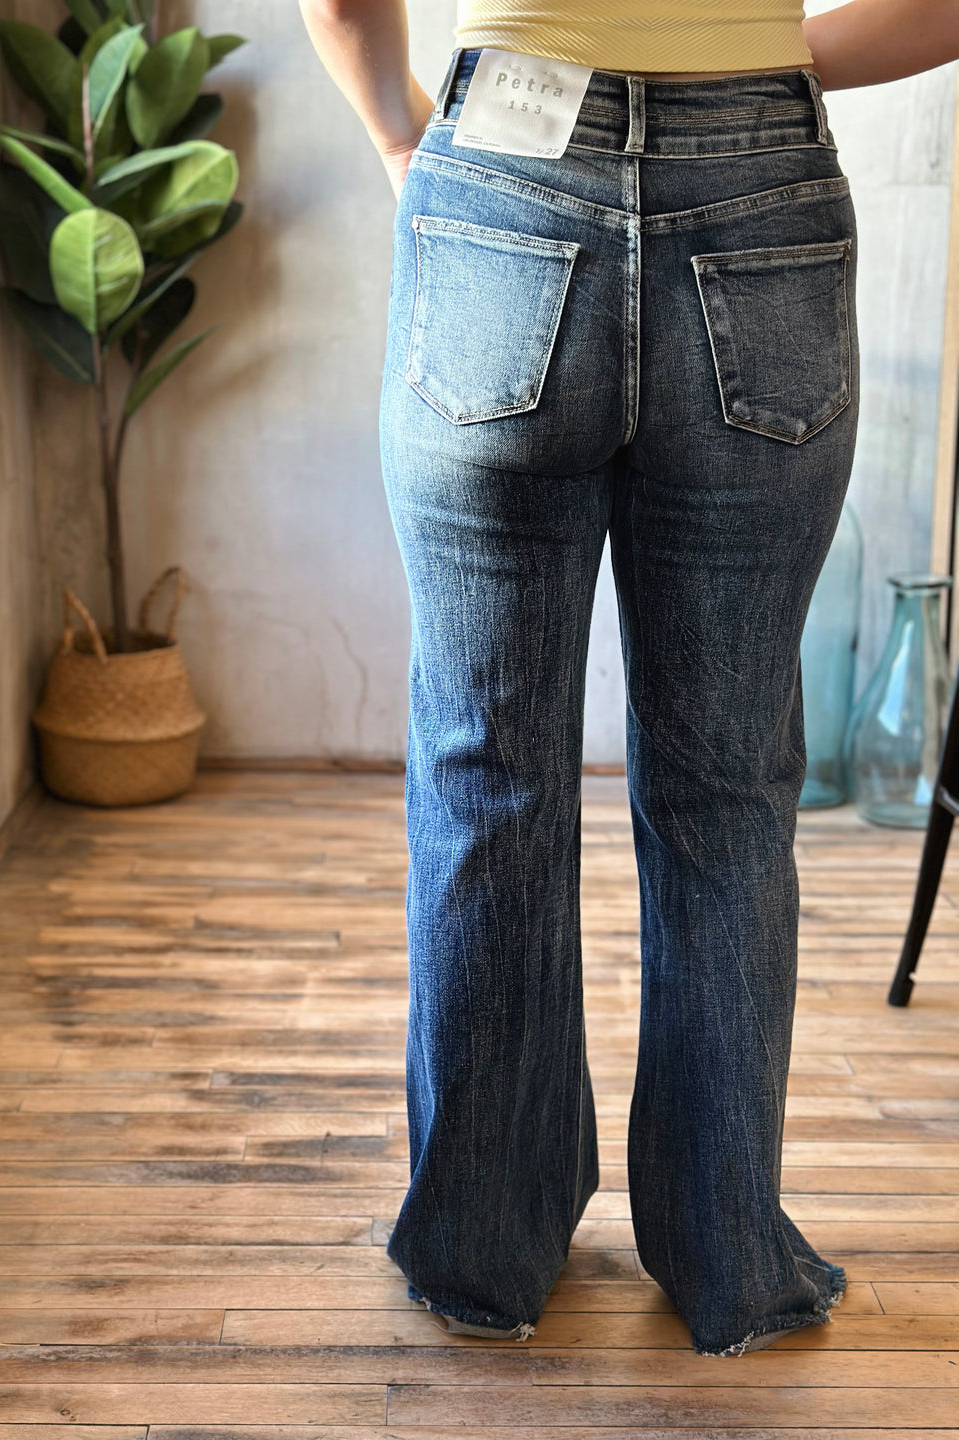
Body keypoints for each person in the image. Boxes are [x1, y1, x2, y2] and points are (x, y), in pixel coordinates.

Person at [297, 0, 959, 1355]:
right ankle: (730, 1259)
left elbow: (344, 4)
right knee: (728, 788)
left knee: (487, 772)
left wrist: (395, 135)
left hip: (505, 179)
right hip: (760, 187)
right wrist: (768, 60)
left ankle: (482, 1250)